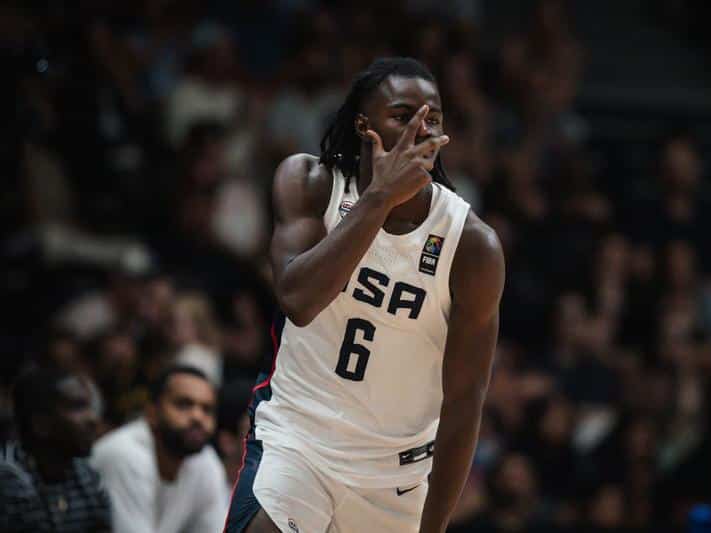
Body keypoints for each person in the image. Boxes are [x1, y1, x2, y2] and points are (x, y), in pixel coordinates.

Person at [224, 57, 505, 533]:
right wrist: (379, 199)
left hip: (393, 474)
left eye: (432, 119)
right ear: (363, 125)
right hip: (300, 441)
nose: (420, 129)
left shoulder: (472, 246)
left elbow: (465, 401)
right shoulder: (310, 184)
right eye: (402, 115)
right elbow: (299, 300)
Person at [90, 365, 229, 533]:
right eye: (183, 405)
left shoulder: (205, 460)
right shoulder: (123, 454)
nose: (197, 417)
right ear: (152, 411)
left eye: (207, 409)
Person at [0, 366, 110, 533]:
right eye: (77, 407)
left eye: (89, 407)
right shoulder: (9, 480)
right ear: (41, 424)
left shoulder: (85, 473)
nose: (93, 419)